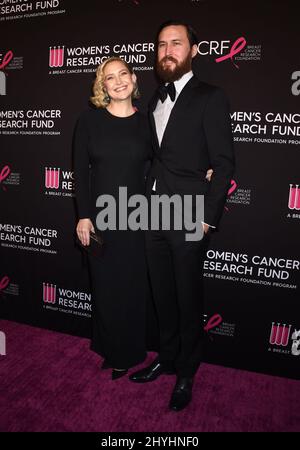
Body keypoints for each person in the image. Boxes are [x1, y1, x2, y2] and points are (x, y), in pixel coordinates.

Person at [129, 21, 235, 411]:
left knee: (188, 297)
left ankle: (188, 370)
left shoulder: (211, 96)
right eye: (161, 45)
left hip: (190, 213)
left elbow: (224, 163)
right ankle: (167, 357)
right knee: (163, 294)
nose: (167, 50)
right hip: (151, 210)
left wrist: (207, 216)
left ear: (194, 50)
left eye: (176, 43)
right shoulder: (155, 97)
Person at [73, 57, 152, 380]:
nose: (118, 81)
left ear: (133, 79)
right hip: (100, 221)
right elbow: (80, 172)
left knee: (132, 289)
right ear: (102, 86)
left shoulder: (150, 123)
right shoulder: (89, 122)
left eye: (123, 74)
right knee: (104, 288)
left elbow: (168, 163)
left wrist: (203, 170)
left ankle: (128, 354)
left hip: (137, 220)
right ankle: (110, 346)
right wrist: (84, 217)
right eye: (110, 78)